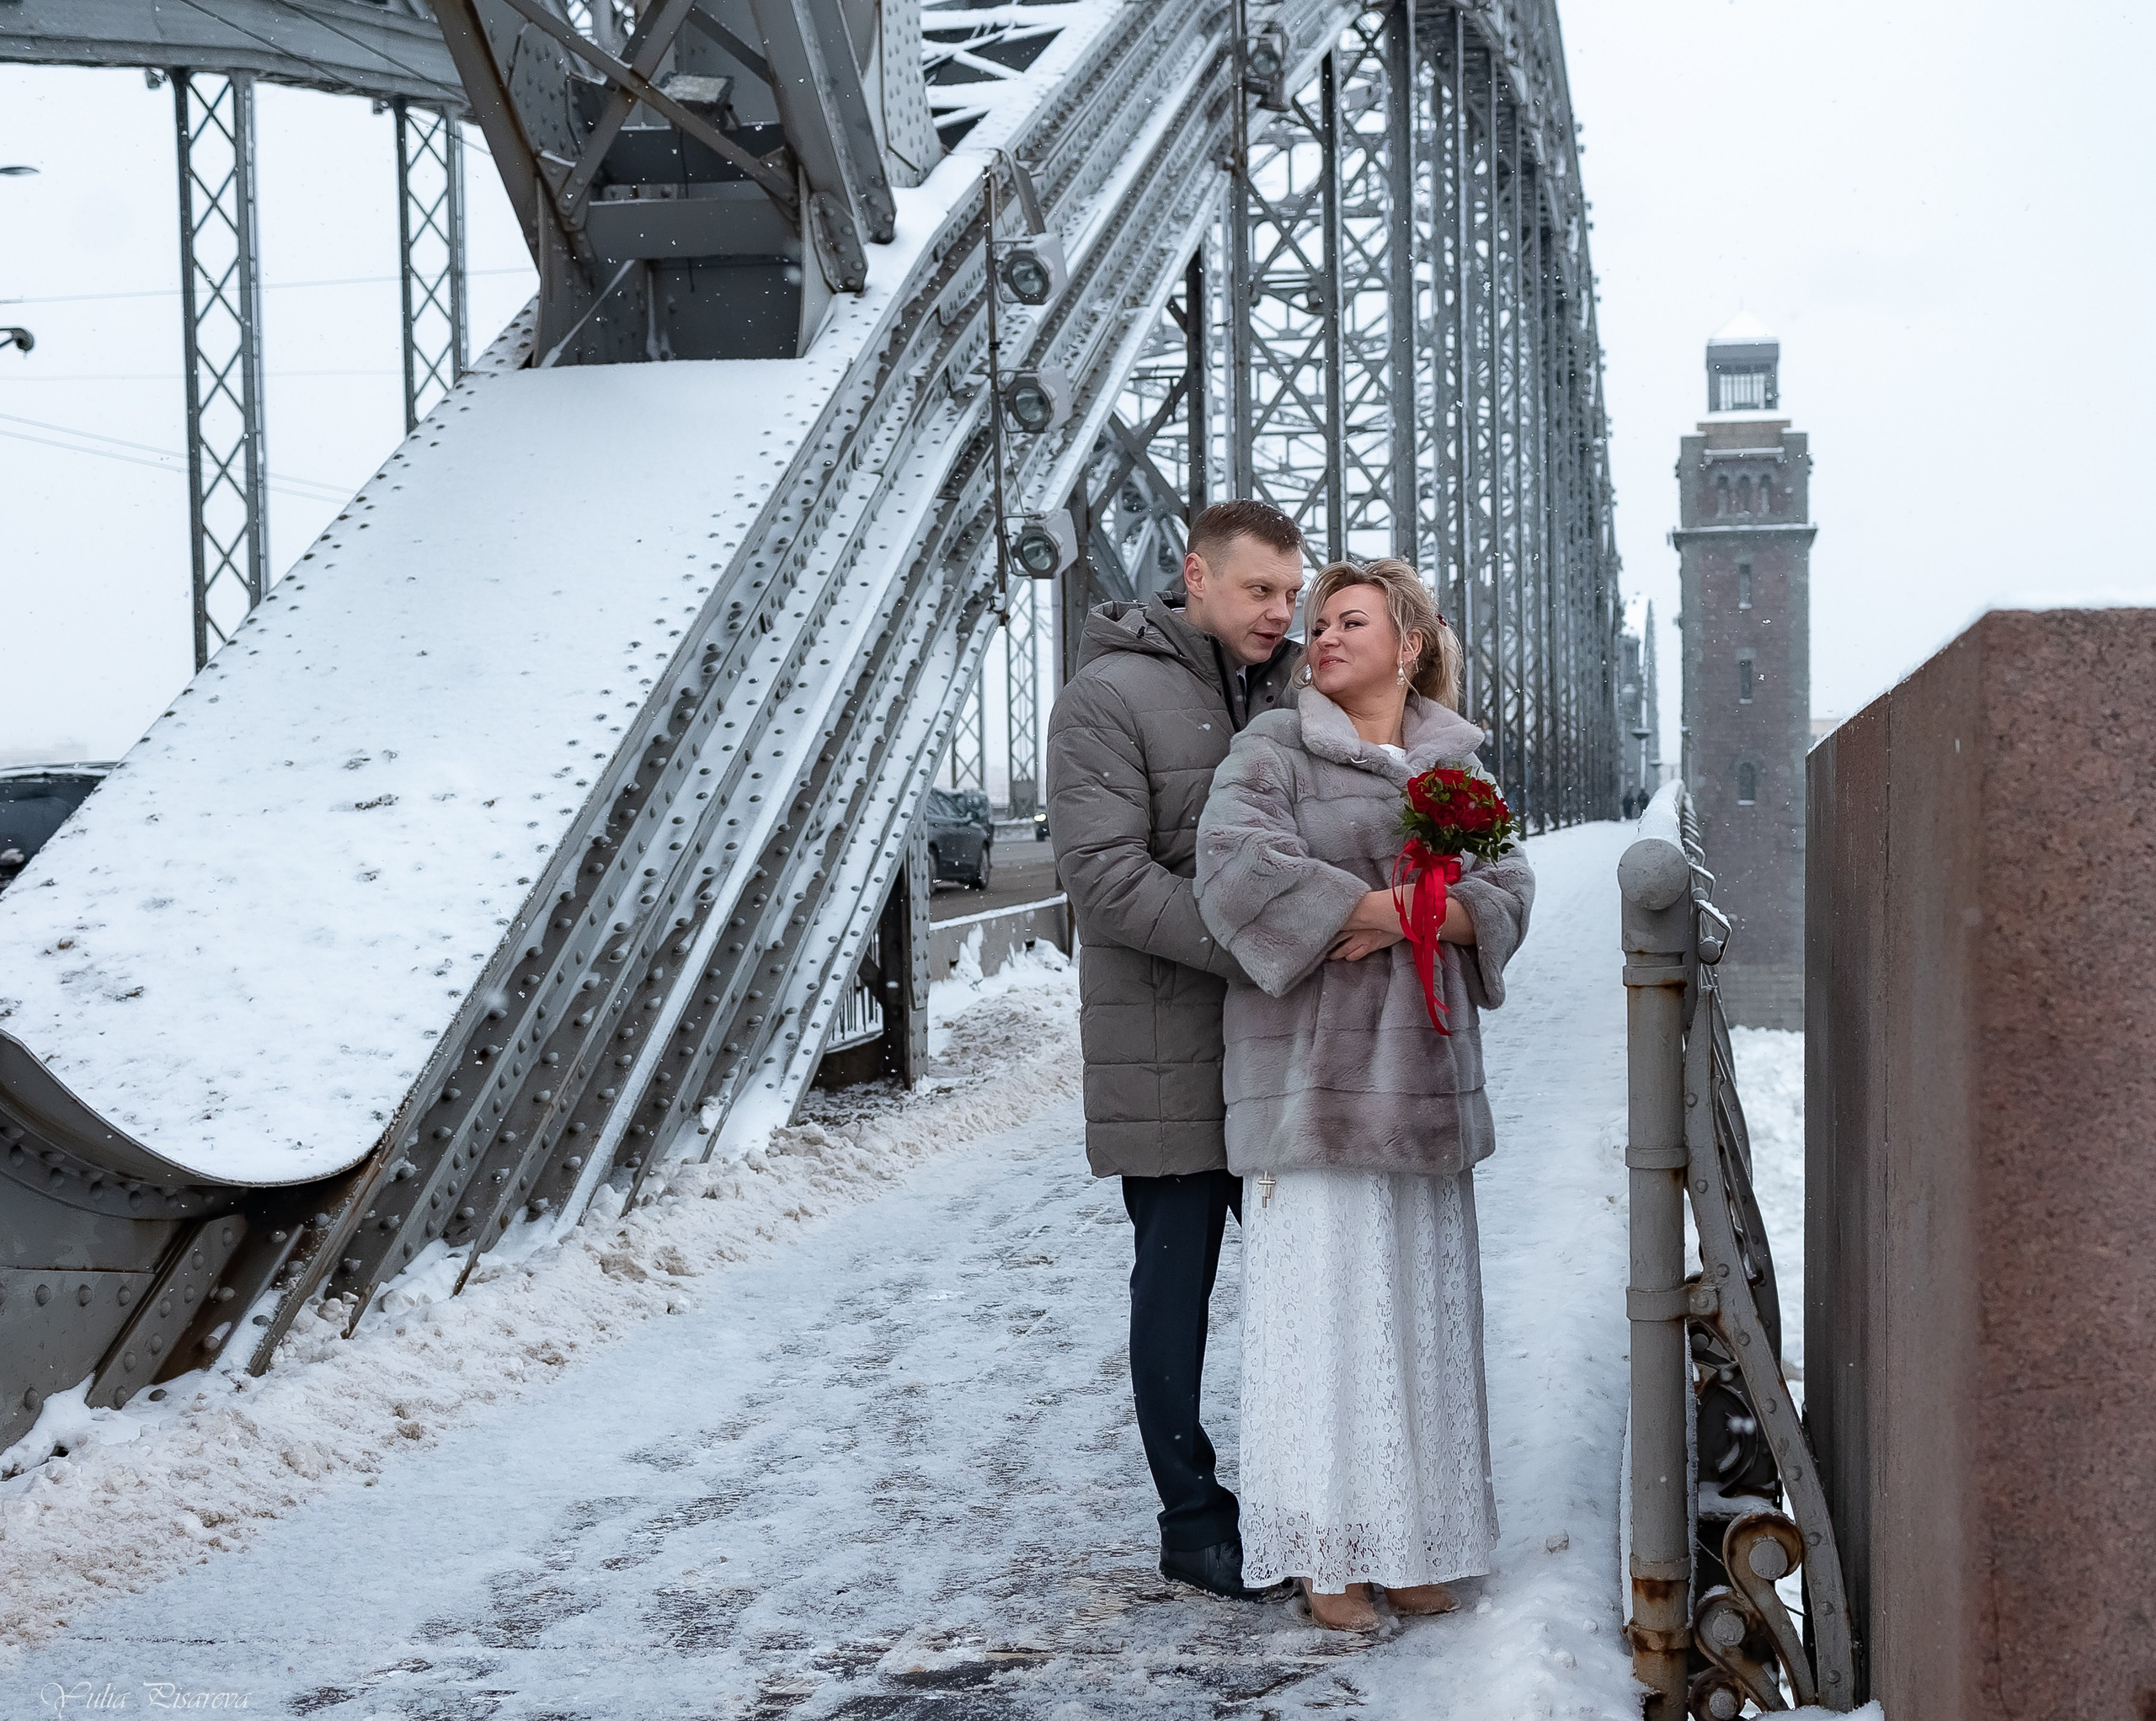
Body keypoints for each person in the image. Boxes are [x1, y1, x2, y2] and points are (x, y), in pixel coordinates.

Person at [1193, 557, 1534, 1631]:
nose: (1323, 637)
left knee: (1415, 1323)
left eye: (1351, 620)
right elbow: (1238, 870)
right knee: (1324, 1324)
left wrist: (1388, 911)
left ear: (1412, 641)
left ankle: (1411, 1540)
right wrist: (1417, 903)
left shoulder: (1456, 766)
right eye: (1319, 621)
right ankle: (1325, 1557)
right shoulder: (1273, 748)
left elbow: (1509, 888)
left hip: (1424, 1086)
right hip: (1313, 1083)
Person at [1044, 499, 1307, 1601]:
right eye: (1260, 592)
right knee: (1177, 1288)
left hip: (1288, 1050)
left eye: (1293, 594)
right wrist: (1259, 944)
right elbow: (1102, 876)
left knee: (1316, 1279)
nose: (1280, 613)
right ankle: (1195, 1524)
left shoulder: (1296, 685)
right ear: (1195, 578)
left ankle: (1324, 1500)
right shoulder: (1107, 696)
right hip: (1168, 1045)